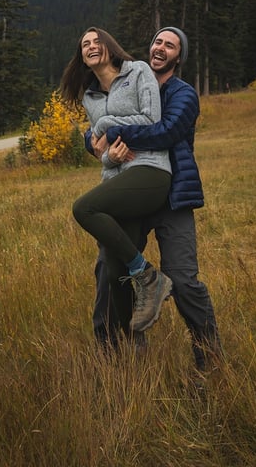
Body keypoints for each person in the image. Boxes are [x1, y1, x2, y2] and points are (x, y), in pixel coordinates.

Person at [90, 27, 221, 373]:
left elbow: (164, 132)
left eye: (170, 45)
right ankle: (116, 356)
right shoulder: (132, 83)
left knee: (183, 279)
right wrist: (93, 138)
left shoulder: (183, 95)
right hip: (134, 191)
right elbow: (101, 115)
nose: (161, 48)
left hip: (172, 195)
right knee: (109, 268)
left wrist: (110, 130)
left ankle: (209, 360)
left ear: (178, 57)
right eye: (158, 41)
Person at [60, 27, 173, 333]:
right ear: (82, 57)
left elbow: (153, 120)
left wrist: (108, 124)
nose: (91, 46)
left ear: (110, 46)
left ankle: (149, 277)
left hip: (150, 170)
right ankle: (128, 346)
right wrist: (108, 157)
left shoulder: (138, 71)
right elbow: (103, 152)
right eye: (85, 44)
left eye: (97, 41)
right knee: (113, 271)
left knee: (83, 208)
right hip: (117, 178)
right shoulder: (90, 96)